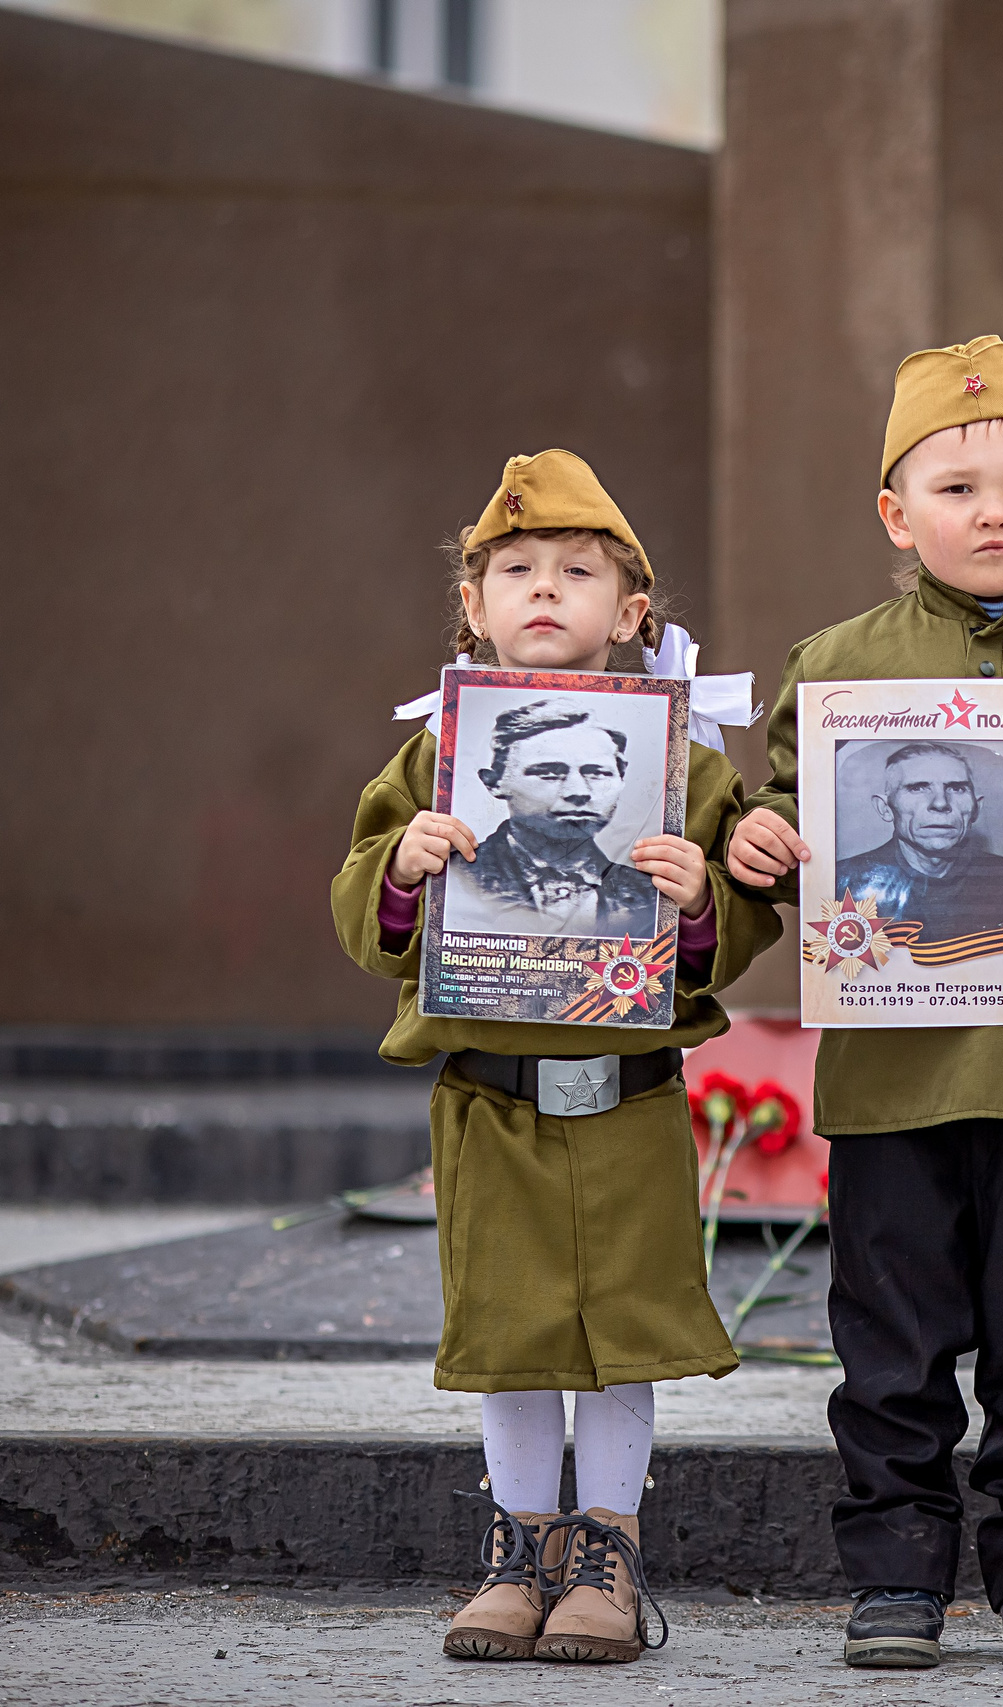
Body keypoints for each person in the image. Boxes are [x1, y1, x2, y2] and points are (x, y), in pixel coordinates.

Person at [724, 336, 1003, 1672]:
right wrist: (761, 843)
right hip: (890, 1079)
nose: (992, 512)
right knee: (889, 1345)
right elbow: (788, 826)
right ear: (894, 512)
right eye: (957, 487)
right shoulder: (835, 666)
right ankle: (895, 1575)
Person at [332, 450, 781, 1666]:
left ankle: (606, 1555)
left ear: (631, 614)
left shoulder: (686, 769)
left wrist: (701, 900)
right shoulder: (431, 765)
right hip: (494, 1107)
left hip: (629, 1102)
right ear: (472, 606)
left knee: (622, 1336)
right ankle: (518, 1550)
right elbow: (361, 911)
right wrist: (403, 872)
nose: (545, 588)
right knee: (513, 1331)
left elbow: (741, 928)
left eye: (579, 572)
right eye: (517, 569)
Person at [446, 700, 661, 938]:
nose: (578, 791)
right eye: (549, 773)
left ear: (621, 778)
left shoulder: (651, 894)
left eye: (597, 773)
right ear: (494, 782)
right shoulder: (453, 878)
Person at [825, 740, 1003, 942]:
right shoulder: (842, 883)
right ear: (885, 808)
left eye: (957, 788)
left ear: (976, 808)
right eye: (917, 788)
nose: (940, 803)